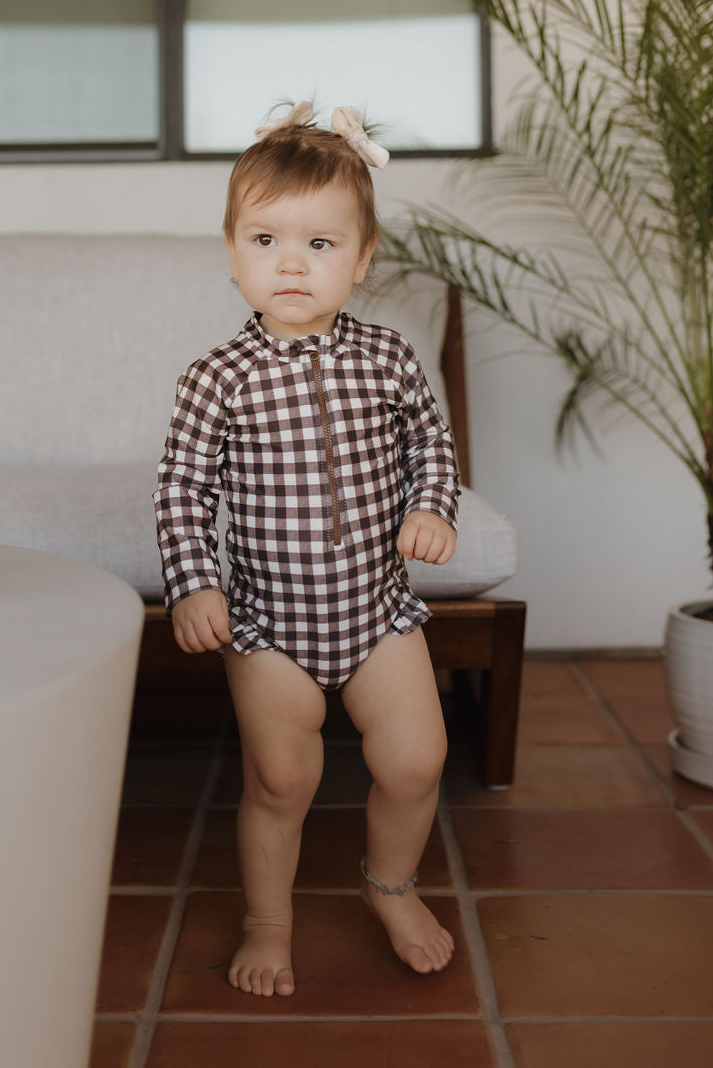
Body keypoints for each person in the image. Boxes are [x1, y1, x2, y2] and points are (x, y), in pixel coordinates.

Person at [154, 100, 460, 999]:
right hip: (267, 624)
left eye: (322, 244)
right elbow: (181, 492)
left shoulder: (390, 358)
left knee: (416, 758)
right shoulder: (216, 379)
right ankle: (268, 920)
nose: (292, 262)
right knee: (282, 779)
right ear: (231, 251)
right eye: (265, 240)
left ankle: (390, 885)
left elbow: (429, 445)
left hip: (375, 612)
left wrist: (432, 508)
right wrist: (192, 586)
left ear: (363, 259)